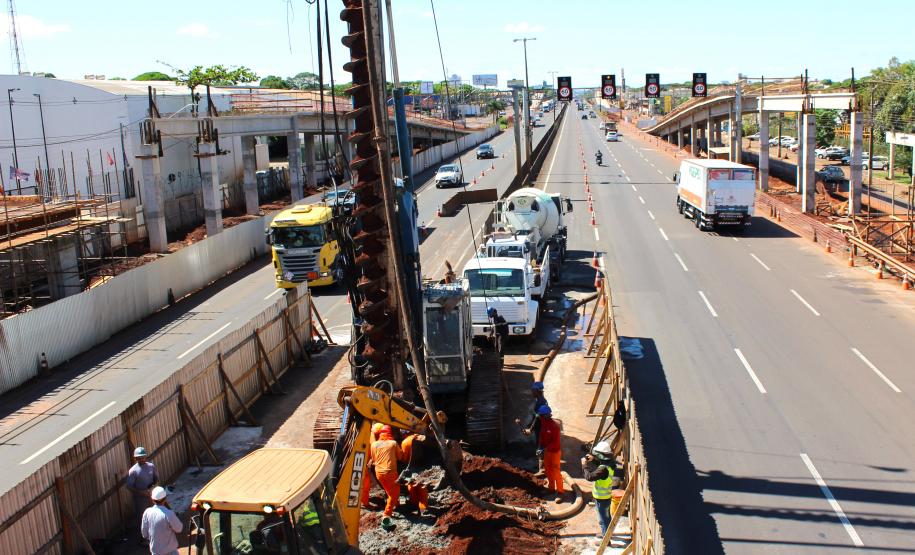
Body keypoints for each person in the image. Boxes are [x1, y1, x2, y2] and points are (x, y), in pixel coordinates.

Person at [581, 441, 618, 537]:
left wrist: (584, 465)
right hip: (606, 496)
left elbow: (589, 477)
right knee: (606, 517)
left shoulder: (603, 469)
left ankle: (606, 539)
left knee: (603, 519)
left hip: (601, 498)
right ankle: (606, 533)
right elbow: (601, 464)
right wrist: (593, 460)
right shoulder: (610, 464)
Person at [370, 425, 404, 516]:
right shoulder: (393, 443)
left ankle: (396, 505)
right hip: (390, 472)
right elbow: (400, 457)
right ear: (390, 433)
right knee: (395, 494)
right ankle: (387, 514)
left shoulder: (373, 444)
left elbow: (373, 459)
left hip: (379, 473)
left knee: (389, 490)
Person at [127, 447, 159, 542]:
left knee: (155, 515)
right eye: (138, 457)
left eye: (142, 457)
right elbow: (129, 486)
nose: (141, 459)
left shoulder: (151, 466)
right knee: (142, 517)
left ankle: (156, 534)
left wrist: (153, 488)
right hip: (140, 499)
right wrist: (141, 492)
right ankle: (144, 538)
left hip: (151, 496)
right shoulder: (133, 471)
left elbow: (156, 479)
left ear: (145, 456)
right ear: (135, 458)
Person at [140, 486, 182, 555]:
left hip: (156, 551)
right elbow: (179, 529)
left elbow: (144, 534)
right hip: (171, 551)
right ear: (165, 499)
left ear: (152, 499)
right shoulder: (169, 514)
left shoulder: (147, 512)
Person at [536, 404, 565, 502]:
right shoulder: (544, 424)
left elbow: (555, 442)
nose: (539, 417)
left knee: (556, 472)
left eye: (541, 416)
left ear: (545, 416)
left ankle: (560, 492)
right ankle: (551, 488)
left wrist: (544, 448)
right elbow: (541, 436)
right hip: (547, 452)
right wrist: (540, 447)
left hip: (554, 452)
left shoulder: (555, 426)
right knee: (548, 470)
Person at [361, 423, 385, 508]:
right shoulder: (373, 442)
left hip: (364, 462)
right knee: (366, 484)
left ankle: (364, 500)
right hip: (362, 464)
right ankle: (365, 503)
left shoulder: (369, 433)